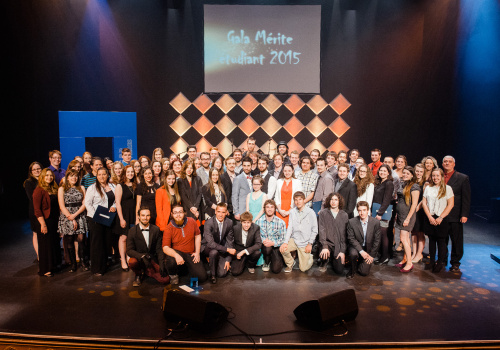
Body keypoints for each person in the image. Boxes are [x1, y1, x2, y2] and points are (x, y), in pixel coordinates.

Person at [162, 204, 208, 285]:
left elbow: (197, 235)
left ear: (184, 213)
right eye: (175, 213)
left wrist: (197, 253)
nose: (178, 215)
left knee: (202, 277)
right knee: (171, 260)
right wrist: (176, 255)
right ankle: (173, 275)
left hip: (190, 253)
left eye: (180, 212)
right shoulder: (169, 228)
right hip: (178, 254)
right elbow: (165, 247)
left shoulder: (192, 221)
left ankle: (185, 270)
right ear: (172, 215)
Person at [127, 206, 169, 286]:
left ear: (150, 216)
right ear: (138, 216)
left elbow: (159, 249)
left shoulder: (156, 229)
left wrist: (161, 264)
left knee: (165, 280)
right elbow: (129, 250)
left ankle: (147, 272)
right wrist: (142, 256)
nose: (145, 218)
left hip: (151, 259)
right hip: (139, 259)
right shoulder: (132, 231)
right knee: (132, 262)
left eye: (147, 215)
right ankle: (138, 274)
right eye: (143, 215)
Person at [422, 168, 454, 273]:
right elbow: (424, 203)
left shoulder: (447, 188)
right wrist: (430, 217)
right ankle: (431, 262)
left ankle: (440, 263)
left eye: (437, 175)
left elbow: (450, 205)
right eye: (433, 176)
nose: (435, 178)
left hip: (442, 218)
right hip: (430, 217)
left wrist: (440, 217)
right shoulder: (428, 188)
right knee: (431, 241)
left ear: (441, 176)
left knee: (441, 241)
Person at [85, 167, 116, 276]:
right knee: (97, 244)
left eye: (104, 174)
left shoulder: (113, 186)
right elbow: (87, 204)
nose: (102, 176)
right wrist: (96, 217)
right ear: (96, 176)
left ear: (108, 175)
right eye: (99, 175)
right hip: (95, 219)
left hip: (108, 218)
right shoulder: (92, 188)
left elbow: (116, 200)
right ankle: (96, 268)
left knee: (106, 242)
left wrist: (114, 207)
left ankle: (104, 265)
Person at [442, 155, 471, 272]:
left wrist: (464, 214)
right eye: (445, 161)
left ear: (454, 164)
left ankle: (455, 262)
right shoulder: (439, 176)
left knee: (456, 240)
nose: (447, 163)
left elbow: (466, 198)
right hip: (441, 214)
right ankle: (442, 259)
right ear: (442, 163)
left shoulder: (462, 178)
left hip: (455, 214)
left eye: (450, 162)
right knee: (442, 238)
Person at [57, 169, 87, 272]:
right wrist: (70, 217)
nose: (74, 178)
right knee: (69, 240)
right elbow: (61, 205)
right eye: (72, 176)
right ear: (67, 177)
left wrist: (75, 215)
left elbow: (84, 204)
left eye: (76, 176)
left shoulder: (81, 187)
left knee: (81, 239)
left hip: (79, 214)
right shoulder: (62, 189)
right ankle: (73, 264)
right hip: (67, 216)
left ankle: (83, 262)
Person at [280, 191, 318, 272]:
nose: (298, 202)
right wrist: (285, 242)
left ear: (304, 200)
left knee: (303, 269)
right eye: (296, 200)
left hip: (305, 242)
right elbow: (290, 227)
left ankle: (309, 257)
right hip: (295, 239)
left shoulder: (310, 212)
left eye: (300, 199)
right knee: (283, 248)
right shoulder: (292, 212)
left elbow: (315, 230)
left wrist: (310, 244)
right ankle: (291, 263)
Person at [33, 168, 60, 277]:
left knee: (53, 243)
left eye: (51, 175)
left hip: (53, 220)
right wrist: (43, 224)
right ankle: (45, 269)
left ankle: (53, 265)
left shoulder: (54, 188)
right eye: (47, 175)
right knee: (45, 245)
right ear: (42, 177)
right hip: (44, 221)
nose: (49, 177)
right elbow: (37, 209)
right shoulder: (39, 190)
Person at [395, 166, 421, 273]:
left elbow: (414, 204)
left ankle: (409, 263)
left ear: (412, 175)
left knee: (404, 239)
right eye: (404, 173)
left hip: (407, 216)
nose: (405, 175)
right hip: (401, 215)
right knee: (405, 239)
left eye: (407, 173)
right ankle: (405, 259)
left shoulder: (414, 186)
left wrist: (408, 218)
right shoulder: (403, 184)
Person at [201, 203, 235, 283]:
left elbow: (230, 241)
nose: (220, 215)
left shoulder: (229, 222)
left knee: (222, 274)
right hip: (207, 247)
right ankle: (212, 275)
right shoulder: (208, 223)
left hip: (220, 248)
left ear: (226, 212)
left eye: (223, 212)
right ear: (215, 211)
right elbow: (211, 244)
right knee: (213, 252)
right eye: (219, 212)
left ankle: (214, 263)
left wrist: (228, 259)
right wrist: (227, 250)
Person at [346, 201, 381, 278]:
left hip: (368, 249)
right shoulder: (351, 222)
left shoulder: (375, 223)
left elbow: (377, 240)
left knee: (364, 272)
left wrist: (372, 256)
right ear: (357, 211)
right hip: (356, 246)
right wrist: (361, 251)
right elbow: (351, 238)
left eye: (364, 210)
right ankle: (352, 268)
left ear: (368, 210)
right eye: (360, 210)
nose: (362, 213)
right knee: (353, 254)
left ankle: (360, 262)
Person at [318, 193, 349, 275]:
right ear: (329, 201)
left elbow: (344, 235)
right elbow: (322, 231)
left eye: (336, 200)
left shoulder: (344, 215)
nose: (333, 202)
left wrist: (342, 251)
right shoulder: (323, 213)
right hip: (327, 243)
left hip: (338, 244)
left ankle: (333, 258)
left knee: (339, 270)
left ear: (339, 202)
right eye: (332, 199)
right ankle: (324, 261)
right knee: (323, 253)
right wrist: (324, 246)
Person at [115, 164, 137, 271]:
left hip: (134, 214)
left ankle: (129, 257)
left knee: (131, 238)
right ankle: (123, 260)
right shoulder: (120, 186)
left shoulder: (135, 185)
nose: (130, 173)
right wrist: (121, 218)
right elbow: (118, 203)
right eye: (128, 172)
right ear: (124, 173)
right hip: (124, 215)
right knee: (123, 238)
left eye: (132, 171)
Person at [372, 164, 394, 265]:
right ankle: (381, 254)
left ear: (388, 173)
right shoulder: (379, 182)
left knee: (383, 234)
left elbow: (387, 200)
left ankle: (385, 256)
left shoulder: (389, 183)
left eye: (385, 171)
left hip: (382, 213)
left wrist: (380, 213)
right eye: (381, 171)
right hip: (376, 211)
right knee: (378, 235)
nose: (382, 173)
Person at [256, 200, 287, 273]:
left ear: (275, 209)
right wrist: (264, 241)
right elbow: (257, 236)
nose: (269, 209)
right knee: (267, 249)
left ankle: (277, 259)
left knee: (276, 270)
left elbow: (283, 239)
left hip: (276, 246)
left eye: (272, 207)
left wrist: (273, 243)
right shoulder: (259, 221)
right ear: (264, 209)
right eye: (267, 207)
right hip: (265, 246)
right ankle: (266, 262)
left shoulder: (281, 222)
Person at [230, 211, 262, 275]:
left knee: (257, 253)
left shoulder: (256, 228)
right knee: (235, 272)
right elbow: (231, 242)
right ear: (241, 222)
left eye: (248, 222)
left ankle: (250, 265)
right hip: (239, 250)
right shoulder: (235, 228)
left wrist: (244, 251)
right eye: (244, 222)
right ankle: (243, 262)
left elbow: (258, 244)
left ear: (251, 222)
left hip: (249, 251)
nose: (246, 225)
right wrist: (236, 253)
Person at [24, 161, 43, 261]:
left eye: (38, 169)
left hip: (45, 210)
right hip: (35, 210)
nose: (36, 171)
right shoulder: (29, 182)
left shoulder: (45, 179)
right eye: (34, 169)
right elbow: (32, 198)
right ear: (31, 171)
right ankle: (39, 255)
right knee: (36, 232)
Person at [411, 163, 426, 263]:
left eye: (421, 171)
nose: (418, 173)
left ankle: (419, 253)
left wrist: (416, 208)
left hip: (420, 211)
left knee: (420, 233)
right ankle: (414, 252)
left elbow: (424, 198)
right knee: (413, 233)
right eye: (417, 171)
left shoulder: (425, 183)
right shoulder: (412, 181)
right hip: (412, 209)